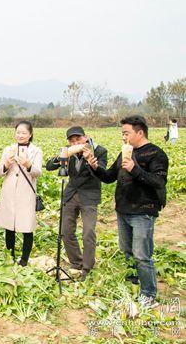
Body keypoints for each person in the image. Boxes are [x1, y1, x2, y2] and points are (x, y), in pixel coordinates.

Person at [86, 115, 169, 307]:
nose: (123, 136)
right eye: (122, 133)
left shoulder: (156, 154)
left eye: (126, 133)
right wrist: (95, 167)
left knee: (142, 255)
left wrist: (134, 168)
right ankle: (133, 283)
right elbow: (109, 177)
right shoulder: (124, 152)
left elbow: (159, 182)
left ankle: (148, 294)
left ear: (139, 133)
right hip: (123, 210)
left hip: (143, 211)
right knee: (127, 251)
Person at [45, 126, 107, 280]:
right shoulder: (67, 152)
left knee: (88, 233)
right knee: (66, 231)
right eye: (72, 141)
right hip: (71, 194)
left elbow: (103, 172)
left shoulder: (99, 151)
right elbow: (49, 166)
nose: (75, 143)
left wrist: (91, 161)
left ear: (86, 138)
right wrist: (62, 157)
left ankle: (87, 268)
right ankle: (76, 262)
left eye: (78, 139)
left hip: (89, 195)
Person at [0, 120, 43, 266]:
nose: (20, 135)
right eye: (18, 132)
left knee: (27, 227)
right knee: (9, 226)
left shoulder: (36, 151)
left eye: (24, 133)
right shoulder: (8, 149)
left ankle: (24, 259)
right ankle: (11, 256)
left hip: (26, 192)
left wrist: (28, 164)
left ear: (30, 134)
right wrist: (7, 164)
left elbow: (38, 172)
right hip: (9, 192)